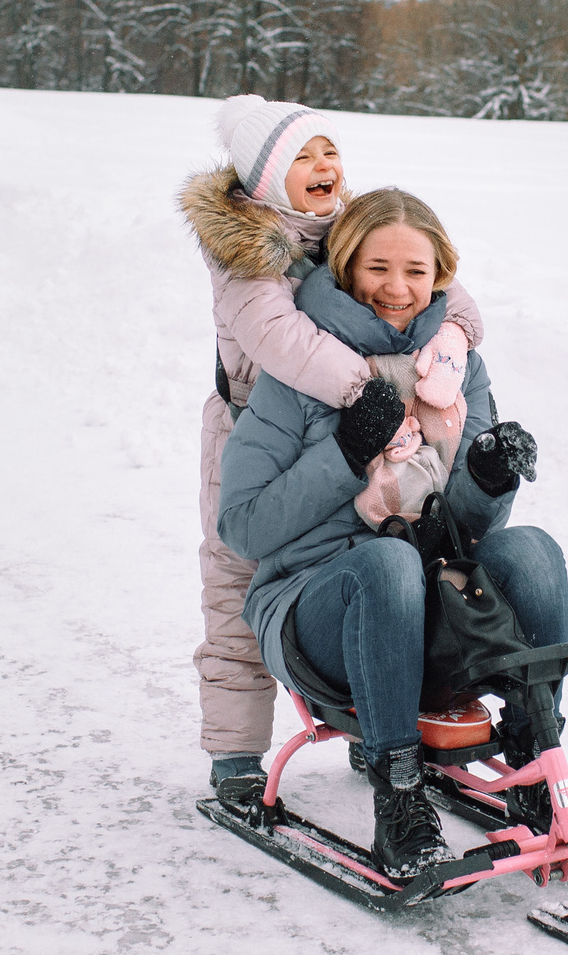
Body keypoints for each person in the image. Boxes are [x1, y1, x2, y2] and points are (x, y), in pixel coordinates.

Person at [215, 189, 568, 877]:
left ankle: (535, 762)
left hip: (432, 605)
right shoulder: (302, 370)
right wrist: (345, 453)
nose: (398, 288)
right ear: (346, 266)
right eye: (378, 267)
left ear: (440, 273)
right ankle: (400, 798)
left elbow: (465, 529)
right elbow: (244, 526)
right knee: (384, 566)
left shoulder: (456, 367)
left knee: (534, 551)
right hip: (317, 611)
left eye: (416, 269)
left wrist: (489, 474)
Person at [180, 99, 483, 815]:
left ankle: (367, 714)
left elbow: (443, 285)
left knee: (372, 553)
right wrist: (367, 391)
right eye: (303, 158)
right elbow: (285, 341)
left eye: (328, 152)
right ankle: (233, 754)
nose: (324, 168)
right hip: (253, 427)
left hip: (353, 423)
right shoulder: (246, 251)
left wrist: (455, 340)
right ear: (266, 179)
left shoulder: (344, 225)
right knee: (235, 580)